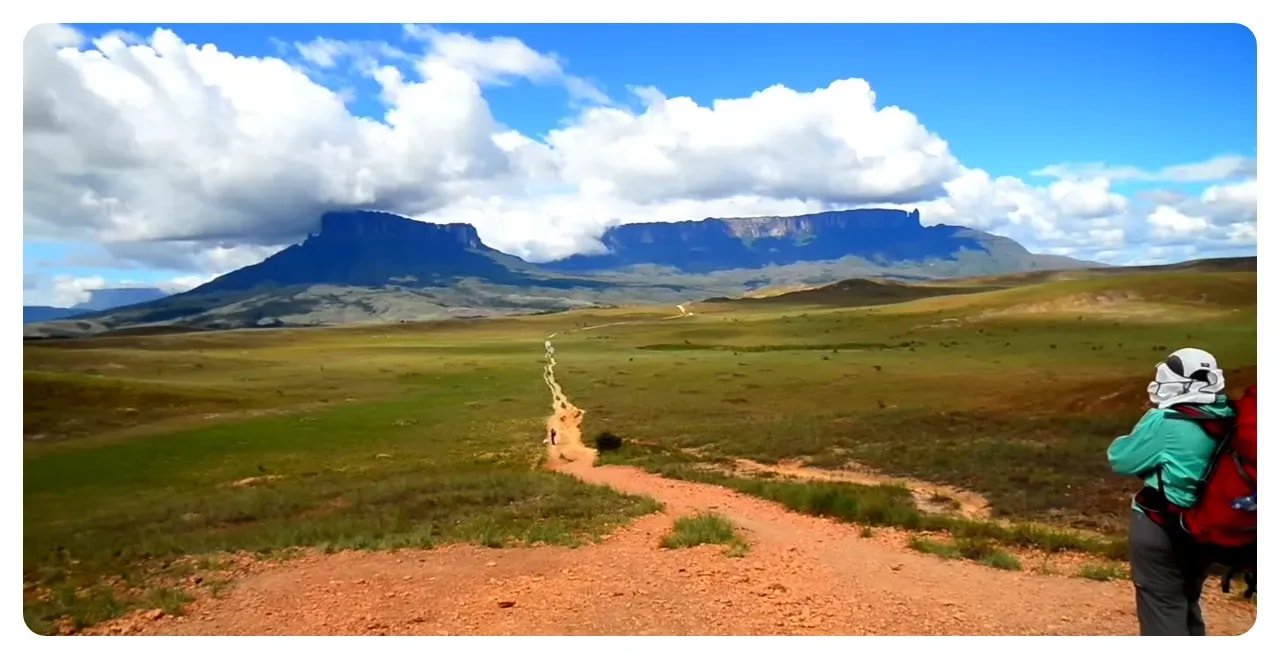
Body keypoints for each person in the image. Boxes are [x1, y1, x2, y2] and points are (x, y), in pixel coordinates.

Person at [1107, 347, 1236, 636]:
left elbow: (1121, 459)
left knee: (1162, 604)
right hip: (1208, 527)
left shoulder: (1165, 421)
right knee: (1188, 599)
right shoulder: (1229, 415)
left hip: (1160, 525)